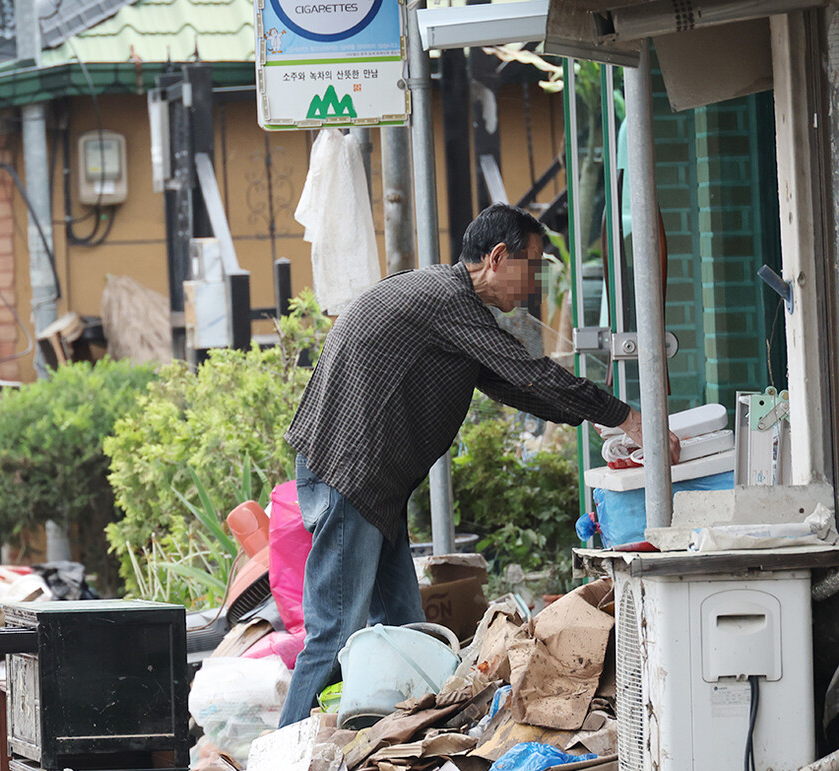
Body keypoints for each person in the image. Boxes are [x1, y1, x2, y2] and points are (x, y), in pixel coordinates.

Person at [278, 203, 678, 726]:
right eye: (531, 266)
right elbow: (530, 373)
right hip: (351, 477)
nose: (533, 284)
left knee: (403, 629)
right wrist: (627, 417)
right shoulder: (448, 302)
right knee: (334, 633)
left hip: (371, 484)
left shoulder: (451, 309)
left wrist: (600, 422)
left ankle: (394, 750)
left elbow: (517, 386)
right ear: (496, 257)